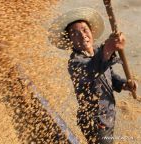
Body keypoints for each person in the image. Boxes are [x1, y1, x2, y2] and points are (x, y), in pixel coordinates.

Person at [49, 7, 137, 144]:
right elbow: (92, 71)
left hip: (108, 115)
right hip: (94, 122)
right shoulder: (75, 62)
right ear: (70, 41)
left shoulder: (97, 51)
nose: (82, 35)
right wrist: (108, 49)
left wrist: (124, 84)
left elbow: (109, 75)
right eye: (75, 33)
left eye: (85, 30)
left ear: (91, 31)